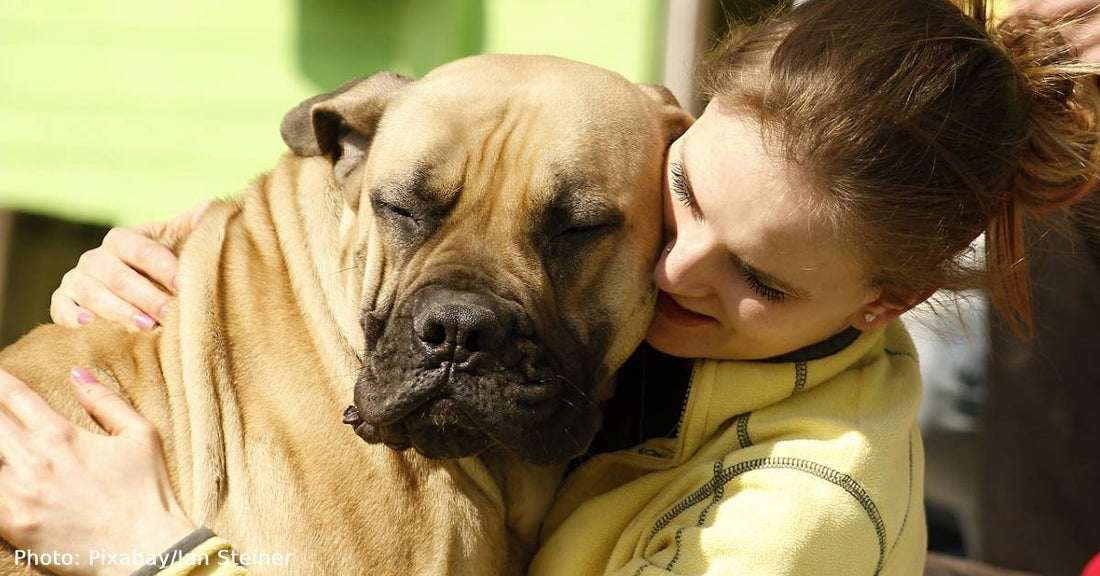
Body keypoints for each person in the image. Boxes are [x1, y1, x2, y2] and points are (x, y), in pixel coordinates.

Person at [2, 0, 1098, 574]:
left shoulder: (785, 518)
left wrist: (153, 554)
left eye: (571, 231)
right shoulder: (302, 229)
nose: (677, 269)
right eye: (681, 203)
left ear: (883, 303)